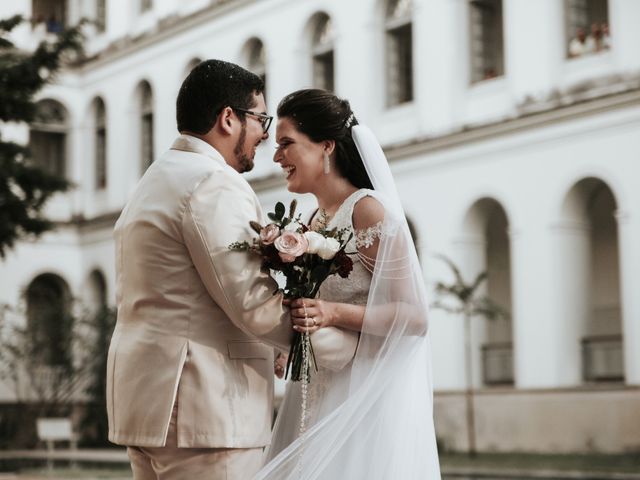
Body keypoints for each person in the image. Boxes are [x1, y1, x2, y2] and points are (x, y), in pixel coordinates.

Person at [106, 61, 354, 480]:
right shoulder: (211, 183)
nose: (264, 136)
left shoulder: (155, 179)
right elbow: (252, 303)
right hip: (205, 410)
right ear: (227, 118)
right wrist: (349, 350)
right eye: (260, 120)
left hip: (150, 404)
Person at [256, 89, 441, 479]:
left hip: (361, 399)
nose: (276, 158)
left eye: (286, 144)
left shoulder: (366, 210)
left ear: (326, 146)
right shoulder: (314, 218)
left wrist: (330, 313)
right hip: (315, 391)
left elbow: (414, 316)